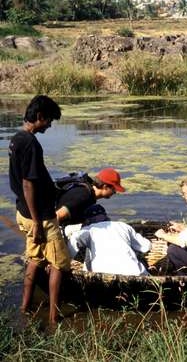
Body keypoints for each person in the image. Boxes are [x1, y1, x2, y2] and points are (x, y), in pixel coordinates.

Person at [8, 95, 71, 325]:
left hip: (22, 211)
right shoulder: (31, 144)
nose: (50, 125)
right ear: (39, 117)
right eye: (49, 121)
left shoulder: (16, 139)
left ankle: (24, 308)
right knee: (58, 264)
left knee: (34, 258)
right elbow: (27, 183)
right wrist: (37, 221)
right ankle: (54, 317)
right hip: (40, 216)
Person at [67, 214, 152, 276]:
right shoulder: (123, 225)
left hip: (101, 275)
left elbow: (75, 238)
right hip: (135, 273)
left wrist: (68, 259)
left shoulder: (89, 229)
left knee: (89, 251)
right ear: (107, 218)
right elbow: (146, 246)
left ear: (88, 221)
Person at [55, 168, 125, 224]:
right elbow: (57, 215)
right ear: (105, 187)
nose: (115, 192)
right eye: (114, 189)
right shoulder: (84, 196)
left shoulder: (89, 191)